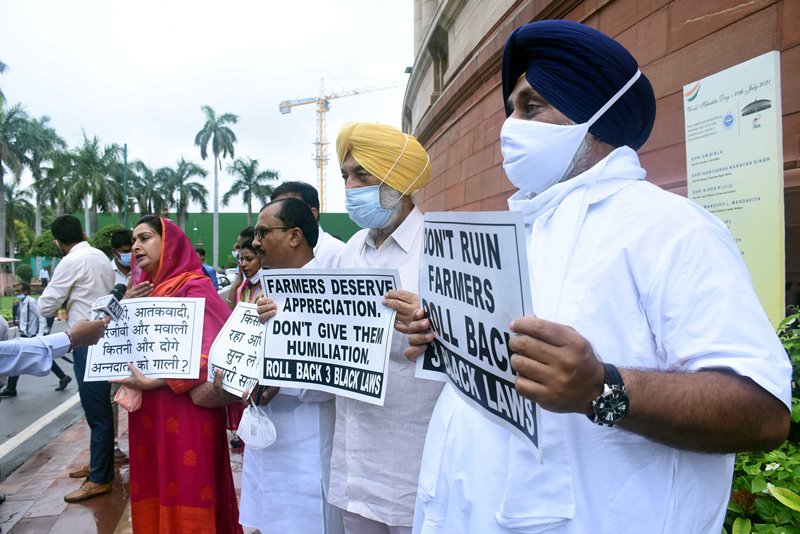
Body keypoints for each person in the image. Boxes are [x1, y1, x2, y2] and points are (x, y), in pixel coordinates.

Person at [399, 20, 792, 534]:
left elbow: (762, 413)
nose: (509, 126)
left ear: (592, 113)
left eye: (530, 106)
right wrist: (444, 333)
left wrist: (602, 388)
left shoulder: (672, 229)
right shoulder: (519, 229)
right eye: (511, 109)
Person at [328, 122, 443, 534]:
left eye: (362, 174)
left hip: (413, 456)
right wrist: (284, 319)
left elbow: (476, 349)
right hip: (354, 458)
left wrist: (431, 325)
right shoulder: (350, 251)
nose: (350, 186)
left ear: (397, 179)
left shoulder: (442, 248)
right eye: (345, 176)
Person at [113, 215, 242, 533]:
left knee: (188, 484)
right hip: (147, 414)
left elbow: (219, 352)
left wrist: (156, 380)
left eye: (145, 238)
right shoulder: (141, 292)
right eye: (134, 240)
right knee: (154, 481)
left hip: (185, 411)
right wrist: (123, 311)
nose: (136, 246)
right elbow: (119, 350)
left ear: (168, 242)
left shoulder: (194, 288)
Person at [239, 197, 343, 534]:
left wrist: (280, 381)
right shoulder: (265, 289)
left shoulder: (334, 292)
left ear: (295, 236)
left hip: (307, 435)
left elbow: (339, 373)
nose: (255, 242)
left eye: (263, 232)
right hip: (266, 433)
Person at [38, 214, 116, 504]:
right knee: (100, 408)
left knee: (96, 411)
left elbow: (46, 306)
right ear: (83, 232)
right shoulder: (99, 256)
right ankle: (99, 464)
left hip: (86, 341)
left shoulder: (70, 261)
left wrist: (66, 302)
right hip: (107, 337)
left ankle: (99, 477)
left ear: (58, 242)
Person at [1, 283, 72, 396]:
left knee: (21, 357)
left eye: (19, 291)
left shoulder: (31, 302)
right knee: (32, 357)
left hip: (32, 335)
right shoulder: (21, 302)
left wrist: (39, 335)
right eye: (16, 291)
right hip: (24, 333)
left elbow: (41, 317)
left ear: (26, 291)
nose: (17, 293)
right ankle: (63, 377)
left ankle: (11, 388)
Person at [271, 180, 345, 267]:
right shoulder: (270, 254)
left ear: (312, 214)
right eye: (273, 209)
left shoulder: (339, 254)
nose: (277, 216)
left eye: (287, 208)